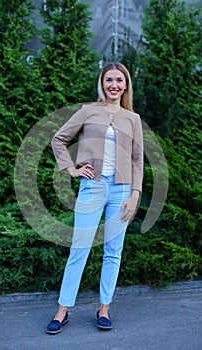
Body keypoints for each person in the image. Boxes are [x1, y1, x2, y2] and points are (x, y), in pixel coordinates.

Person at [47, 61, 144, 334]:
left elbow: (137, 160)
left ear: (126, 85)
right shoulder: (88, 111)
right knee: (79, 249)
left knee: (113, 252)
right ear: (102, 83)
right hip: (92, 187)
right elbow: (58, 139)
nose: (114, 85)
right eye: (109, 80)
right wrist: (71, 169)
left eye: (119, 80)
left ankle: (104, 308)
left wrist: (135, 195)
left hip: (121, 191)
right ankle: (63, 310)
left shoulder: (133, 119)